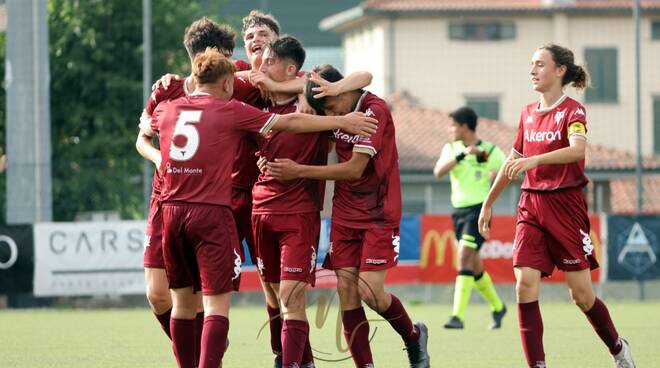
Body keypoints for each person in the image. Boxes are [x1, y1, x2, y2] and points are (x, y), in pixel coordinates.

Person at [141, 48, 378, 368]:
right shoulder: (229, 109)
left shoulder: (169, 110)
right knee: (214, 307)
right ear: (227, 83)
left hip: (171, 212)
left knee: (183, 304)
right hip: (210, 212)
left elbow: (148, 127)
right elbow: (289, 122)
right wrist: (342, 120)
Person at [477, 44, 636, 368]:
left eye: (539, 64)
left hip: (566, 206)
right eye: (531, 64)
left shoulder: (573, 111)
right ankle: (537, 364)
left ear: (560, 70)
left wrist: (533, 159)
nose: (532, 70)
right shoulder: (526, 113)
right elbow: (513, 161)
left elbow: (578, 151)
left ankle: (618, 348)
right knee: (524, 285)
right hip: (531, 204)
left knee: (581, 296)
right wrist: (488, 203)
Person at [267, 64, 430, 368]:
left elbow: (355, 169)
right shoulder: (334, 114)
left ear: (342, 88)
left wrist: (299, 171)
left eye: (330, 105)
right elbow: (297, 122)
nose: (330, 116)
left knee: (370, 292)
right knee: (346, 292)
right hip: (344, 214)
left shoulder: (374, 109)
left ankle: (413, 335)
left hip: (378, 213)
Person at [135, 17, 237, 363]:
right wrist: (158, 158)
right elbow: (141, 137)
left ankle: (202, 354)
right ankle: (203, 347)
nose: (231, 63)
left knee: (193, 298)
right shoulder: (167, 89)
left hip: (206, 202)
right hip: (164, 201)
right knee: (157, 296)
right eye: (224, 54)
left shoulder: (232, 86)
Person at [252, 36, 325, 368]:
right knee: (273, 295)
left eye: (269, 61)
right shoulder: (257, 101)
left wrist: (304, 89)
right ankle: (300, 361)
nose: (261, 66)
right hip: (260, 211)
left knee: (291, 297)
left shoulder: (313, 101)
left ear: (291, 69)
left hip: (299, 214)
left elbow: (359, 80)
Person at [433, 106, 507, 330]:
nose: (451, 129)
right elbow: (438, 172)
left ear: (464, 126)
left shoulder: (490, 151)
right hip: (459, 212)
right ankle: (498, 307)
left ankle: (457, 316)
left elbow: (510, 171)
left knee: (464, 256)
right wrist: (463, 154)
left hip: (480, 211)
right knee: (473, 264)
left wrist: (497, 176)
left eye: (453, 125)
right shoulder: (452, 148)